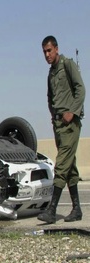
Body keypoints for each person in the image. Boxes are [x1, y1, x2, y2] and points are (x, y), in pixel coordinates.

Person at [37, 36, 86, 224]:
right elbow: (50, 98)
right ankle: (77, 209)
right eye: (44, 52)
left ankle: (52, 209)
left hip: (70, 125)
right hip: (58, 125)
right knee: (70, 167)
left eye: (49, 50)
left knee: (61, 165)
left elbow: (81, 89)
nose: (47, 55)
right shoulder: (51, 73)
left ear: (56, 49)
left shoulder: (68, 65)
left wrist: (71, 112)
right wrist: (54, 116)